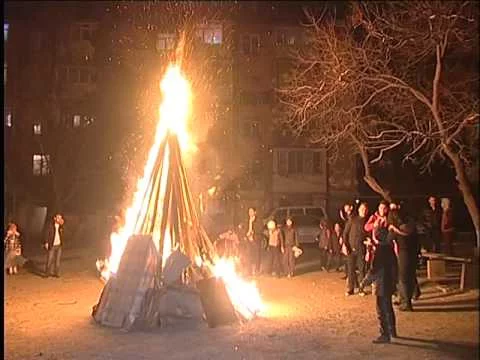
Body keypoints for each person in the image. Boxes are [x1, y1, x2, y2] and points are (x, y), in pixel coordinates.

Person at [360, 226, 398, 344]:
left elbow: (374, 270)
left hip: (381, 284)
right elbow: (394, 266)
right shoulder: (389, 248)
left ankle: (384, 334)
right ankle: (392, 331)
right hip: (389, 282)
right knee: (389, 308)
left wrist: (364, 282)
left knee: (381, 309)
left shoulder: (380, 251)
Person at [388, 207, 418, 312]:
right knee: (409, 277)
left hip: (403, 253)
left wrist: (392, 229)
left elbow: (389, 238)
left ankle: (407, 303)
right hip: (412, 253)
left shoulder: (400, 227)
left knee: (403, 278)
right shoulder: (410, 224)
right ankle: (407, 300)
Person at [343, 202, 369, 296]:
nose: (364, 211)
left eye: (365, 209)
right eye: (362, 209)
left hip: (361, 249)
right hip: (351, 248)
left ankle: (361, 289)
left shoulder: (367, 222)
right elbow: (345, 233)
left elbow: (368, 235)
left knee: (362, 270)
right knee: (351, 270)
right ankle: (351, 288)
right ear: (358, 210)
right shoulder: (352, 220)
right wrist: (345, 246)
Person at [44, 213, 65, 278]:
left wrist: (62, 225)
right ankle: (47, 273)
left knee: (57, 260)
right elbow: (46, 234)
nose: (59, 219)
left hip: (59, 245)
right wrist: (46, 242)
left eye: (60, 218)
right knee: (50, 259)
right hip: (52, 244)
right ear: (55, 218)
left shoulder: (61, 227)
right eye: (58, 217)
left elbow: (65, 234)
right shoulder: (50, 225)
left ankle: (56, 273)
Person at [246, 207, 264, 276]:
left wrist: (253, 233)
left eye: (251, 211)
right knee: (249, 255)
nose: (250, 213)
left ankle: (257, 270)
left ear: (255, 212)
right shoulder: (247, 220)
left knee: (257, 255)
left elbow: (260, 230)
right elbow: (244, 229)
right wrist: (247, 234)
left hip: (256, 240)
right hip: (248, 240)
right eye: (249, 211)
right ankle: (249, 271)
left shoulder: (258, 220)